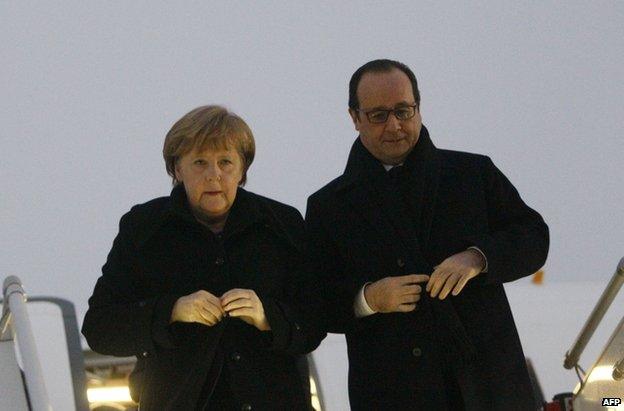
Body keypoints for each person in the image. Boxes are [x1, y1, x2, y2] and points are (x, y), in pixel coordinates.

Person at [305, 59, 549, 411]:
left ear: (418, 107)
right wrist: (369, 298)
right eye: (378, 115)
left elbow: (534, 237)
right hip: (393, 394)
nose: (394, 125)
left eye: (403, 111)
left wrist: (478, 257)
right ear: (354, 118)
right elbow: (317, 303)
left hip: (488, 387)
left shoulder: (472, 174)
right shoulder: (329, 206)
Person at [82, 105, 325, 410]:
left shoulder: (281, 224)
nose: (214, 175)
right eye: (200, 162)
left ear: (242, 170)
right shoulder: (144, 228)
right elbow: (99, 328)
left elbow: (316, 321)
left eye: (226, 162)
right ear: (177, 169)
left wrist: (268, 317)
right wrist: (172, 310)